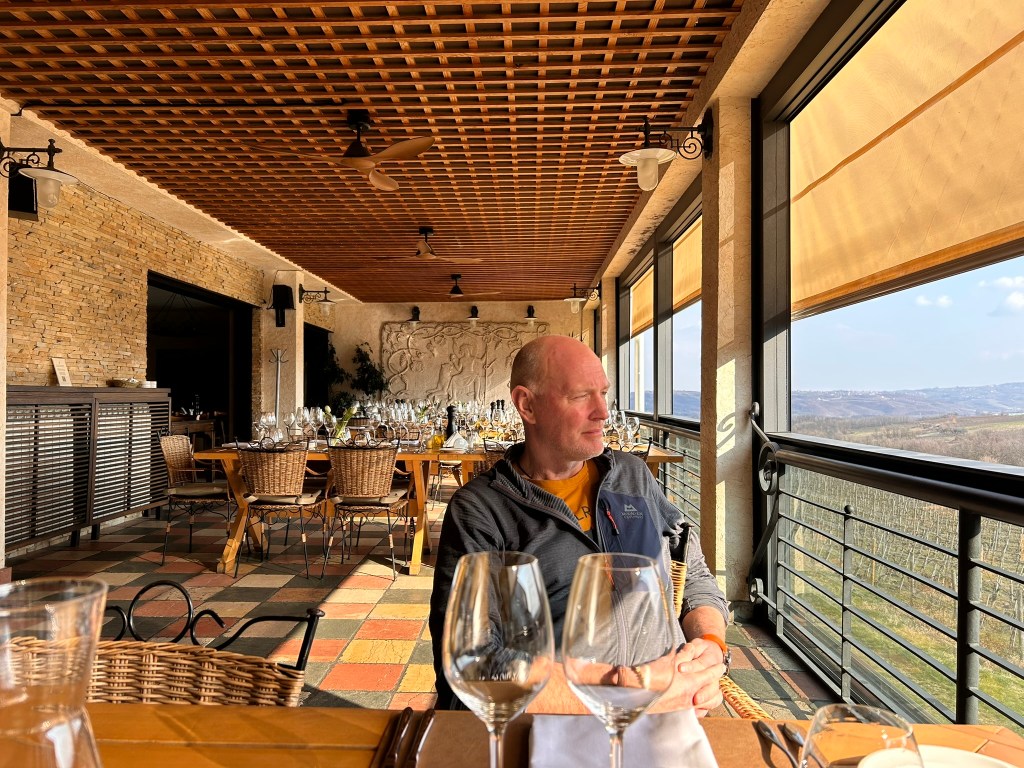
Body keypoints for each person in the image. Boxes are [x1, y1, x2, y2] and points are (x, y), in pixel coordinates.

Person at [429, 335, 730, 714]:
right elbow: (469, 666)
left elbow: (692, 569)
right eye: (580, 396)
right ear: (527, 405)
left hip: (672, 717)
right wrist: (626, 694)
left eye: (603, 393)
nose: (603, 412)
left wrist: (710, 642)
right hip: (558, 729)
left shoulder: (633, 477)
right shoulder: (481, 511)